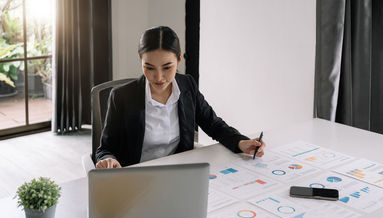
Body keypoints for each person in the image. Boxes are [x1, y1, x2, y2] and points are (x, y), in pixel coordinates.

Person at [95, 26, 265, 168]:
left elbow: (213, 124)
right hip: (136, 176)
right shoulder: (121, 96)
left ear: (179, 59)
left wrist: (240, 142)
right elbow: (105, 149)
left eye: (167, 67)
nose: (159, 77)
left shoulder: (187, 85)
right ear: (141, 62)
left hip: (178, 172)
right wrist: (109, 160)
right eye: (149, 68)